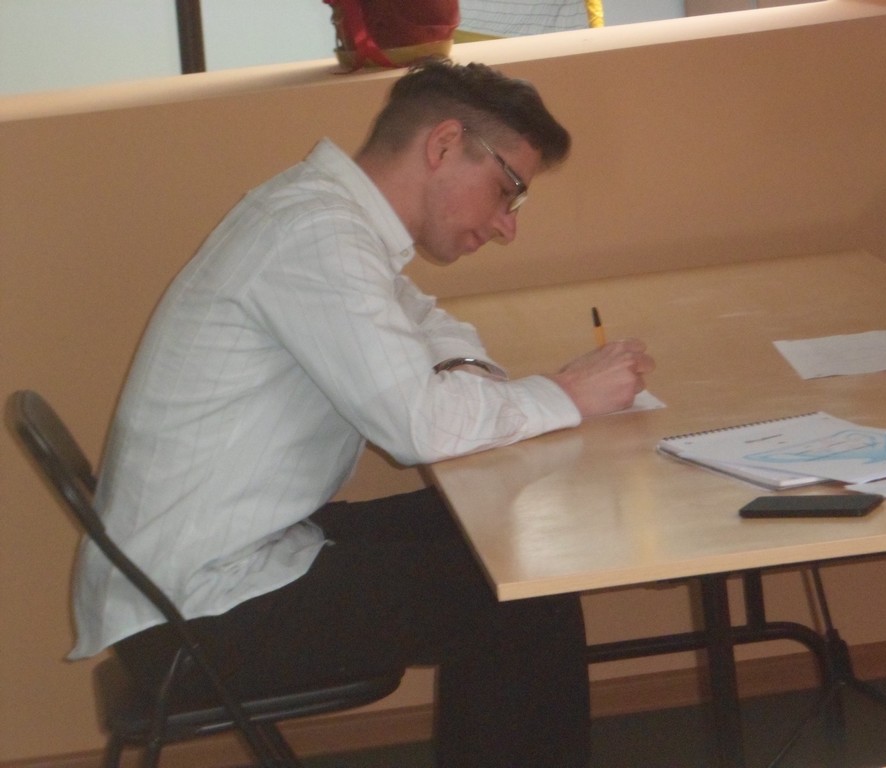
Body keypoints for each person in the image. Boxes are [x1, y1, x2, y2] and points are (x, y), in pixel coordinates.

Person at [69, 58, 653, 766]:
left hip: (222, 560)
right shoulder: (316, 237)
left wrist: (486, 386)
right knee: (522, 587)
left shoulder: (325, 215)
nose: (508, 226)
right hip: (202, 610)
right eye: (508, 191)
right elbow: (420, 429)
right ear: (443, 145)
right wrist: (564, 395)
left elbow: (426, 322)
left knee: (502, 532)